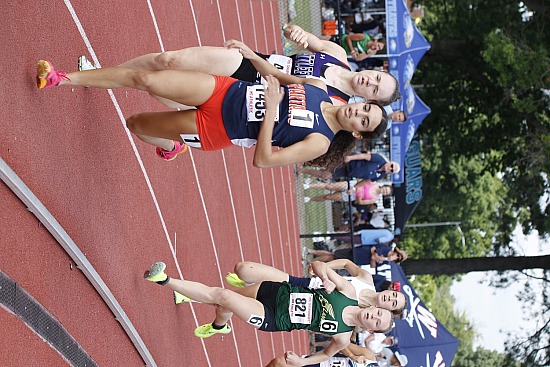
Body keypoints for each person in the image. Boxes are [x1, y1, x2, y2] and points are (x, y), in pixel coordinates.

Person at [36, 40, 387, 169]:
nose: (358, 112)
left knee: (137, 124)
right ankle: (62, 78)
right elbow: (279, 77)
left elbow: (263, 160)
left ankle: (172, 146)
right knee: (147, 79)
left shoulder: (320, 141)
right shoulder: (319, 88)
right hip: (225, 92)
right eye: (364, 108)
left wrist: (269, 113)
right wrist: (251, 55)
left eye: (364, 121)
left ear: (357, 134)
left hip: (220, 128)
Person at [79, 24, 400, 107]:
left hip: (248, 95)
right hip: (252, 62)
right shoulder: (337, 53)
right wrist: (296, 33)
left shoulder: (337, 102)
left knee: (158, 86)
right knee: (169, 60)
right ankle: (98, 72)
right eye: (375, 77)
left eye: (374, 89)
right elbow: (297, 35)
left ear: (370, 99)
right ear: (372, 69)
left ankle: (175, 139)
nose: (370, 82)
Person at [143, 261, 393, 367]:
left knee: (224, 296)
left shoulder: (343, 337)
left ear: (371, 331)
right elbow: (318, 266)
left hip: (273, 317)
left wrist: (302, 362)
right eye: (378, 314)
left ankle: (163, 279)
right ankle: (220, 326)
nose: (375, 317)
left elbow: (326, 354)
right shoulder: (347, 291)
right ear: (372, 307)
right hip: (276, 291)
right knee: (226, 302)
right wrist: (326, 277)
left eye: (379, 323)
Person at [224, 260, 406, 315]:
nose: (391, 298)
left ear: (389, 310)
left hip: (298, 306)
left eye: (393, 303)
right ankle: (249, 284)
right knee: (243, 269)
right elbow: (346, 263)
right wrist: (325, 267)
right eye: (394, 296)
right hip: (303, 284)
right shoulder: (366, 278)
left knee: (231, 300)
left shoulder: (364, 316)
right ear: (390, 290)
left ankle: (250, 289)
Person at [299, 152, 400, 183]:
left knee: (326, 175)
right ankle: (304, 160)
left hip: (348, 173)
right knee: (326, 163)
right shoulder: (379, 159)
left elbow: (366, 181)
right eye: (391, 166)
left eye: (392, 170)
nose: (390, 168)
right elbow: (364, 156)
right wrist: (350, 157)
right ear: (390, 162)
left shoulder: (380, 176)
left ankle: (303, 170)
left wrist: (355, 188)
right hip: (349, 163)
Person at [304, 182, 392, 205]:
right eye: (385, 189)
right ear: (384, 186)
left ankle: (309, 199)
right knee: (329, 186)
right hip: (351, 186)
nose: (384, 191)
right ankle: (309, 186)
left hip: (351, 196)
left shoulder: (374, 199)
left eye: (386, 192)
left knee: (328, 196)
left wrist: (359, 197)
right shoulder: (374, 183)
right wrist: (356, 188)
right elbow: (361, 180)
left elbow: (361, 202)